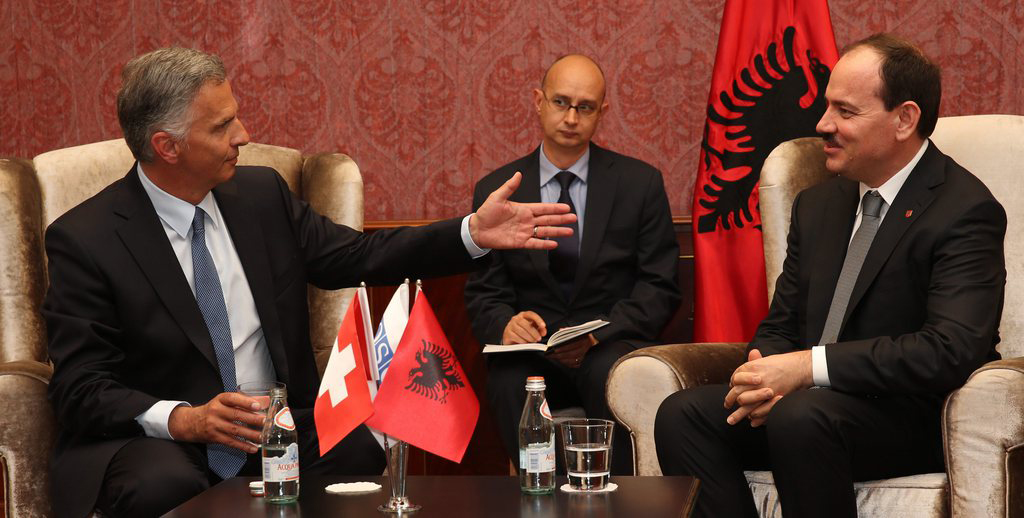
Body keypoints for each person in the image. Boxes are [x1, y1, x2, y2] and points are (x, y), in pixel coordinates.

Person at [43, 47, 576, 518]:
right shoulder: (86, 239)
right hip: (163, 440)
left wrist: (470, 234)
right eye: (221, 126)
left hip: (279, 426)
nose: (243, 136)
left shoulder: (259, 196)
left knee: (361, 453)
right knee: (168, 485)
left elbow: (360, 255)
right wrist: (185, 419)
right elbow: (80, 387)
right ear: (167, 146)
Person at [654, 34, 1006, 518]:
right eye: (826, 107)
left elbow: (949, 350)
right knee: (684, 415)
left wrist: (805, 369)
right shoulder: (819, 204)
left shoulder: (965, 210)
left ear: (904, 119)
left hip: (910, 415)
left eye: (845, 111)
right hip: (811, 410)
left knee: (800, 416)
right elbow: (782, 323)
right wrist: (765, 373)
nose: (823, 125)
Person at [464, 54, 681, 475]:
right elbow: (483, 292)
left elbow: (660, 286)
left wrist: (600, 335)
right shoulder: (498, 189)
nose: (570, 117)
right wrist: (505, 323)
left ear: (602, 112)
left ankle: (610, 497)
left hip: (606, 344)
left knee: (611, 372)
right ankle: (540, 493)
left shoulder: (640, 184)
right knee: (509, 379)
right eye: (561, 102)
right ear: (538, 101)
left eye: (584, 107)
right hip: (531, 351)